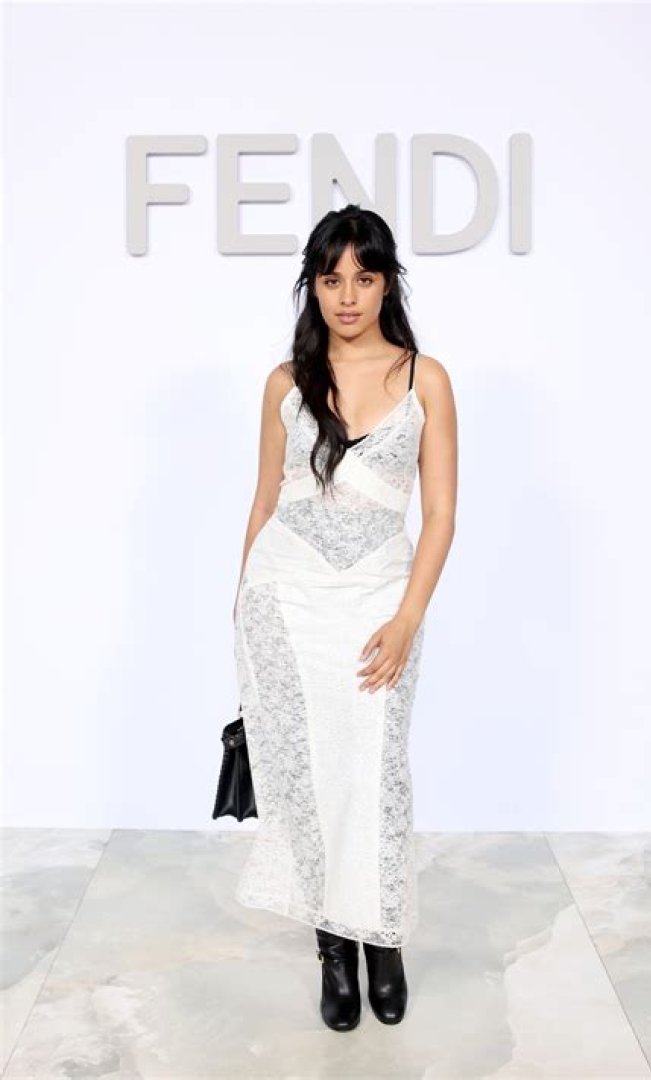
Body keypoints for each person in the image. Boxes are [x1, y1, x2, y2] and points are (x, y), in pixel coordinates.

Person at [232, 204, 457, 1031]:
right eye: (331, 279)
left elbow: (440, 516)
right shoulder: (285, 382)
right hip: (284, 601)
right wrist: (240, 607)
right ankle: (333, 946)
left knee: (375, 770)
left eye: (364, 277)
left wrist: (407, 619)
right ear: (313, 287)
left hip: (379, 605)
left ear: (388, 283)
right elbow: (264, 500)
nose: (348, 296)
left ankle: (382, 941)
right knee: (307, 777)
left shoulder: (425, 378)